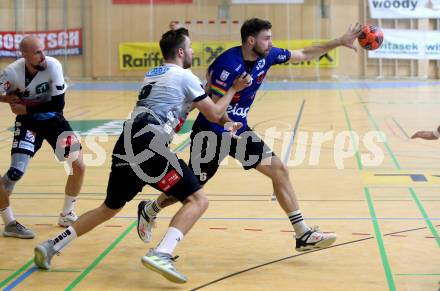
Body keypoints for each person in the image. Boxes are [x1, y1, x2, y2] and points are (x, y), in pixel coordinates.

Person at [34, 28, 251, 284]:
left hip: (127, 141)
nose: (193, 51)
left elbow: (201, 107)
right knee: (197, 200)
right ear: (181, 51)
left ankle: (51, 245)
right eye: (190, 47)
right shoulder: (184, 76)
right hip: (150, 142)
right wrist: (233, 91)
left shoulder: (155, 74)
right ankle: (162, 253)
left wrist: (227, 124)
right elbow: (213, 112)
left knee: (109, 208)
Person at [137, 18, 363, 252]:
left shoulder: (269, 55)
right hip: (212, 132)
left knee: (279, 169)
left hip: (238, 130)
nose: (271, 42)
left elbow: (304, 53)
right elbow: (214, 110)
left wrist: (339, 41)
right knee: (194, 184)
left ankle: (302, 233)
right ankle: (150, 209)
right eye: (266, 38)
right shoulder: (227, 65)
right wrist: (232, 118)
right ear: (250, 40)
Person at [0, 36, 85, 239]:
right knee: (16, 172)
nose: (43, 56)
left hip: (54, 121)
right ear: (24, 55)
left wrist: (25, 108)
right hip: (29, 125)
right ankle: (9, 222)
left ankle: (66, 214)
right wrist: (6, 98)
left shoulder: (53, 66)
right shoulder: (11, 72)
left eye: (43, 50)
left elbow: (58, 105)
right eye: (37, 52)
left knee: (79, 165)